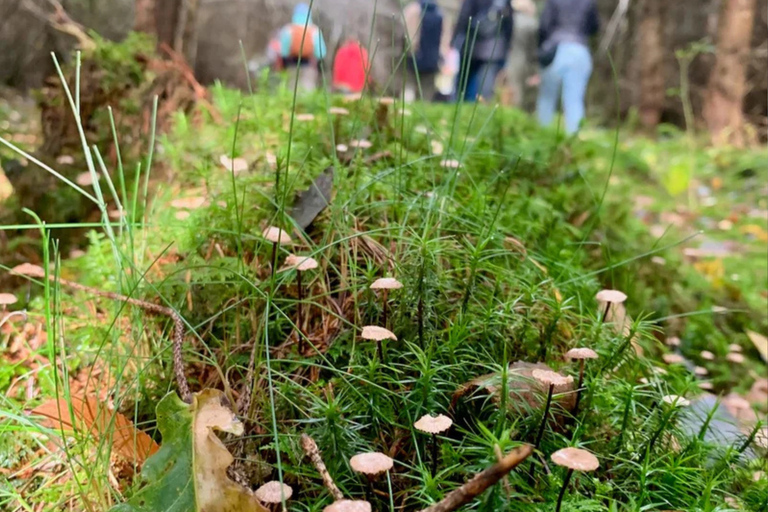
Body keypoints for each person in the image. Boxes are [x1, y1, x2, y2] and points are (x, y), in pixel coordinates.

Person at [535, 0, 599, 134]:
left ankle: (541, 136)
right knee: (574, 100)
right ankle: (574, 142)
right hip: (580, 49)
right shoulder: (589, 2)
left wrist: (541, 50)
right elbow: (594, 26)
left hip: (555, 49)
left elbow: (544, 25)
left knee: (547, 98)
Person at [451, 0, 514, 102]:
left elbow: (463, 17)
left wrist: (454, 39)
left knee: (462, 87)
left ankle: (461, 110)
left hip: (470, 45)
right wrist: (507, 47)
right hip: (493, 49)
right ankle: (480, 110)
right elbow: (509, 24)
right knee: (485, 90)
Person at [278, 3, 327, 91]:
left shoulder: (288, 30)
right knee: (307, 91)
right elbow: (321, 53)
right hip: (309, 66)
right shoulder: (314, 31)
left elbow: (283, 52)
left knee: (292, 90)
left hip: (292, 65)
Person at [403, 0, 444, 102]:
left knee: (410, 85)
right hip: (433, 57)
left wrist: (410, 49)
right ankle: (426, 107)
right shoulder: (440, 12)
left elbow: (406, 31)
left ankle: (408, 106)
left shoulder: (413, 9)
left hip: (414, 55)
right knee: (427, 87)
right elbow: (444, 36)